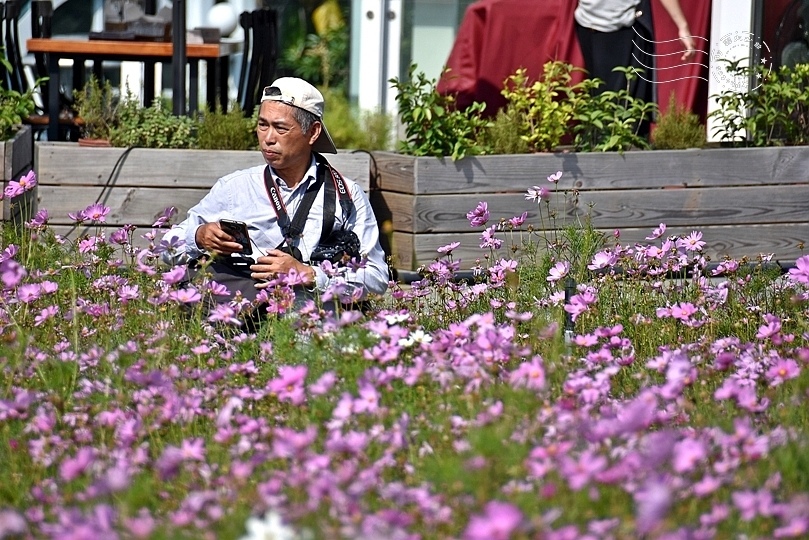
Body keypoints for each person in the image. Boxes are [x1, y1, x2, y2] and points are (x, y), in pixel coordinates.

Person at [161, 77, 389, 311]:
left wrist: (309, 275)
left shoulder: (347, 196)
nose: (268, 138)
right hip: (242, 331)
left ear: (312, 132)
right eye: (262, 125)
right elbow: (166, 247)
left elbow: (377, 279)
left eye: (280, 128)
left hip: (318, 334)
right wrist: (199, 237)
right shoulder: (234, 188)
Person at [574, 0, 697, 109]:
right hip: (593, 25)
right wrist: (683, 26)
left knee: (615, 108)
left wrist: (682, 26)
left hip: (615, 28)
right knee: (604, 107)